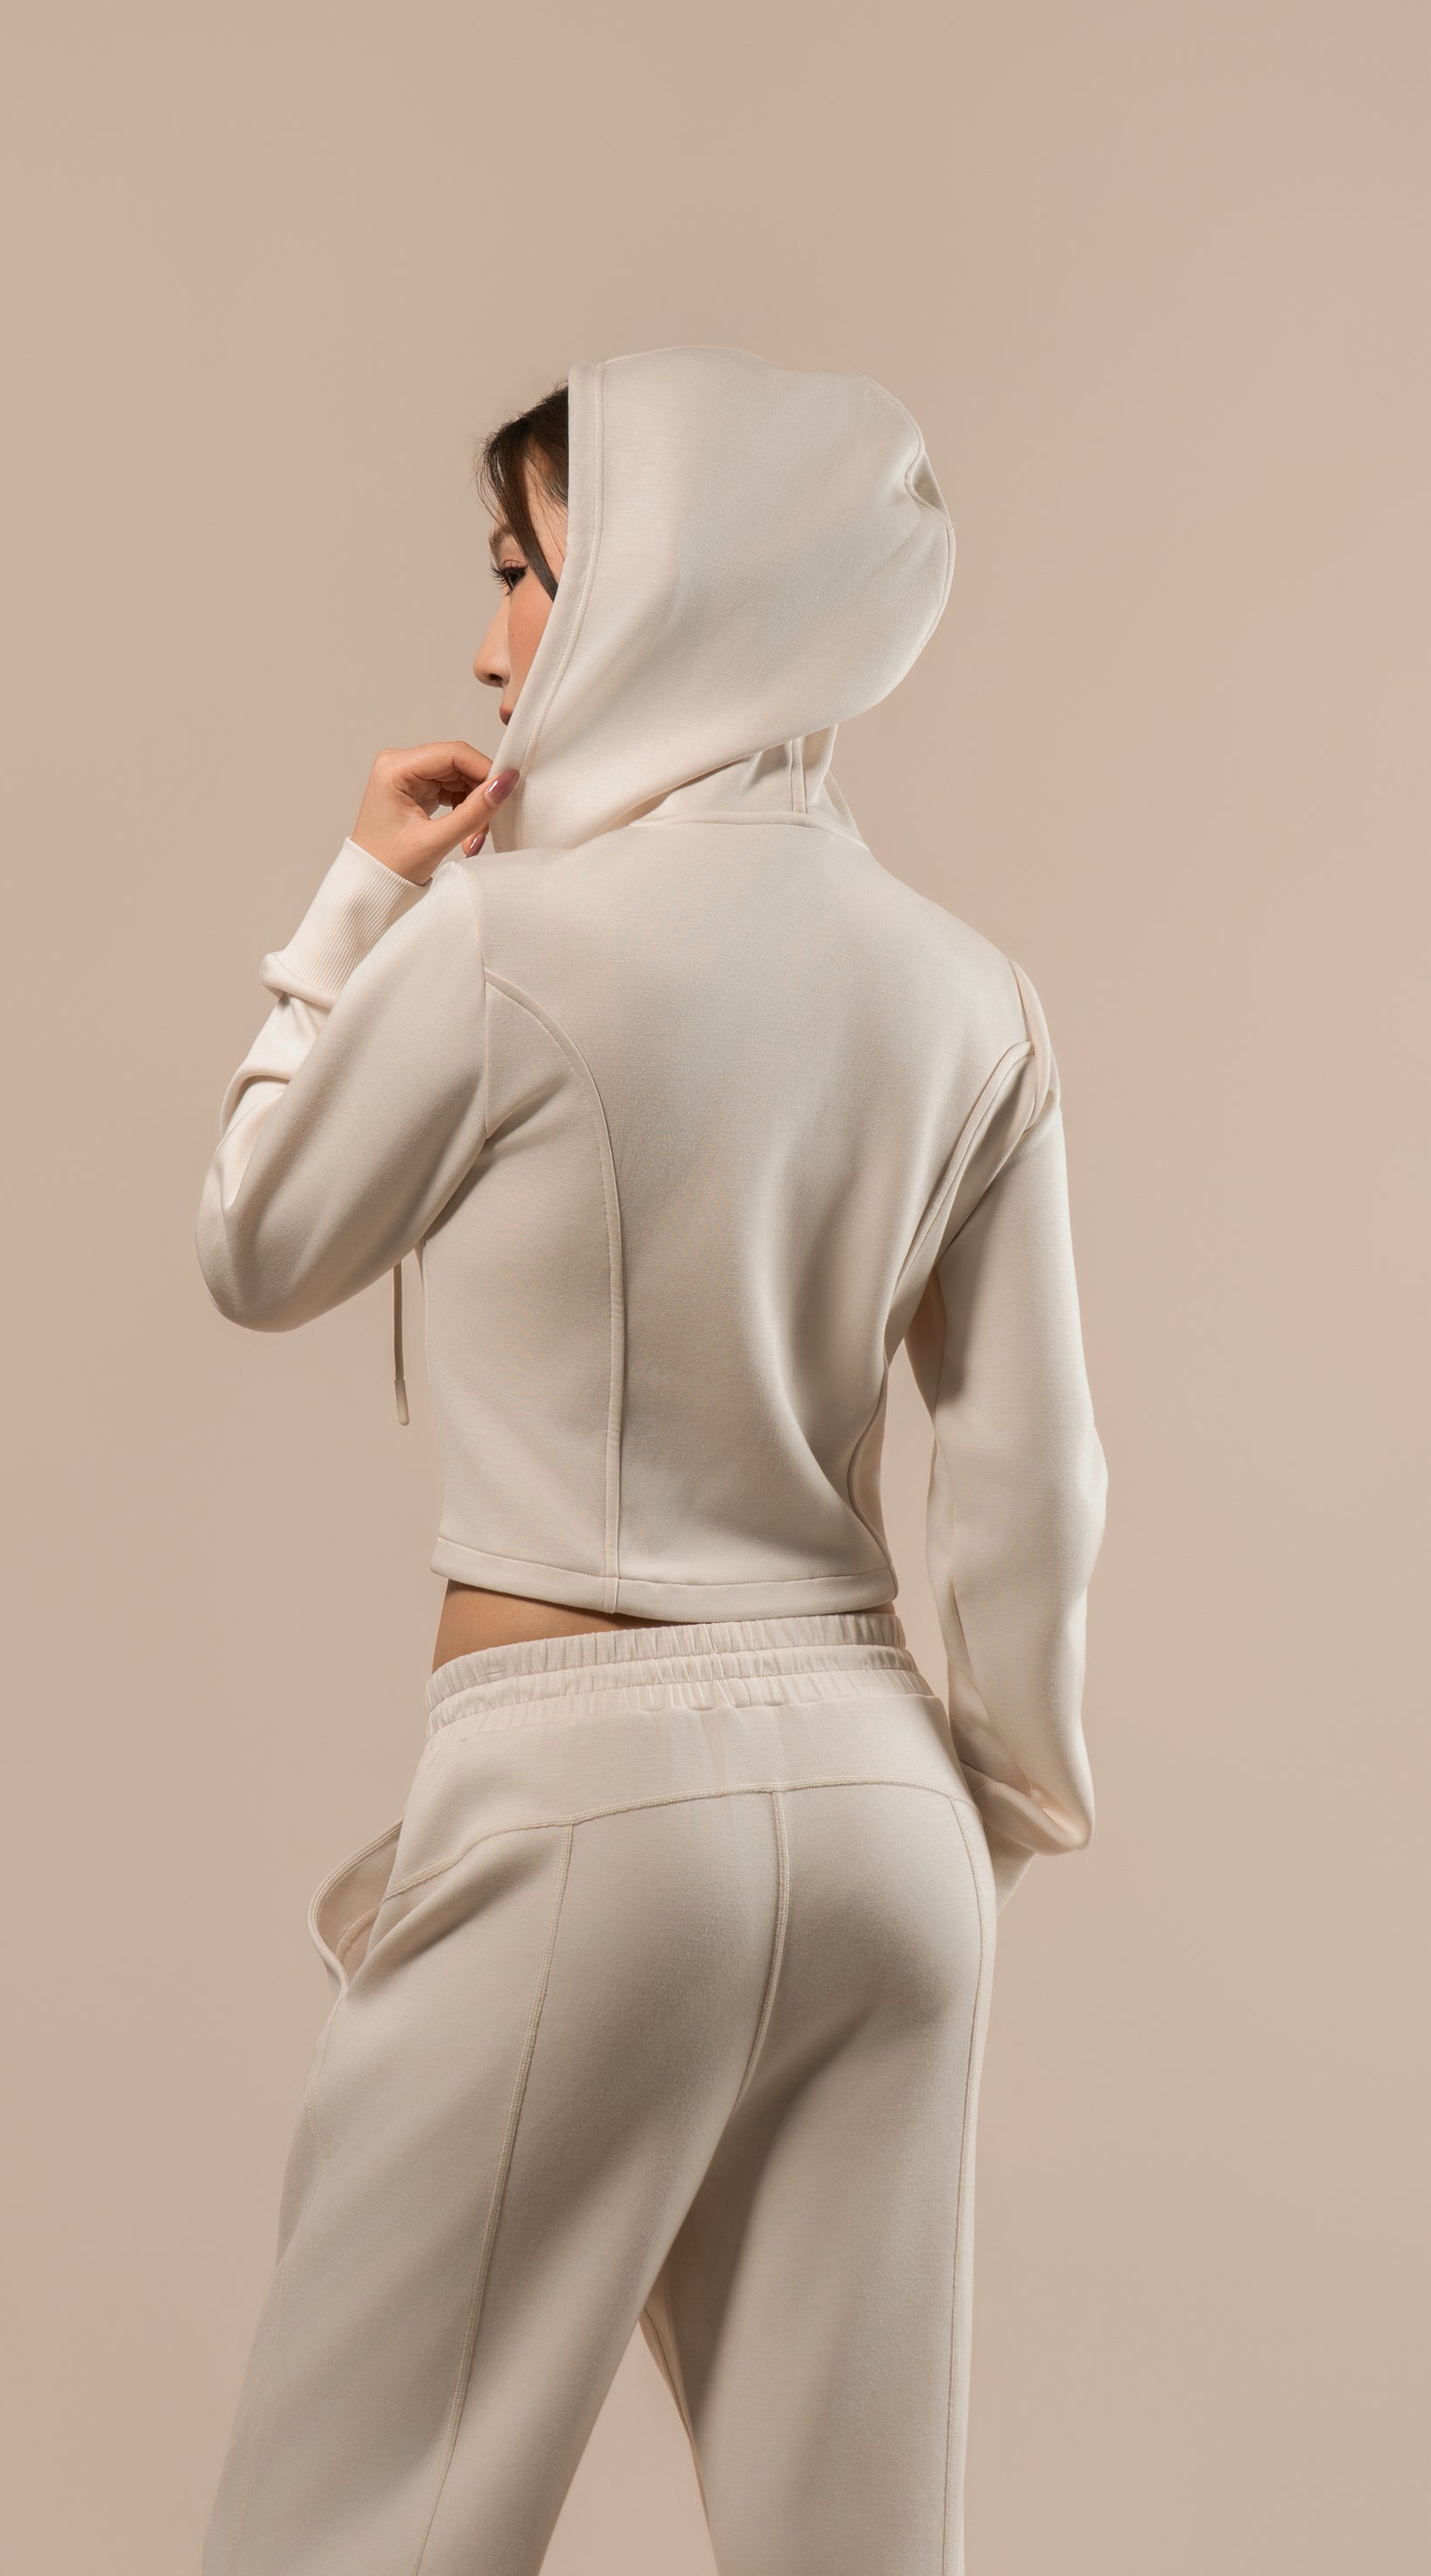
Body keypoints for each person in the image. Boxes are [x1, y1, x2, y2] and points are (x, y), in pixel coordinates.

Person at [192, 343, 1106, 2576]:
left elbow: (257, 1238)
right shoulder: (970, 993)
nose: (491, 638)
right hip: (885, 1807)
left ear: (659, 589)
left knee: (350, 2536)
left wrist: (353, 900)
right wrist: (984, 1814)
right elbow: (1033, 1484)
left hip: (583, 1780)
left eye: (523, 569)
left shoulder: (502, 941)